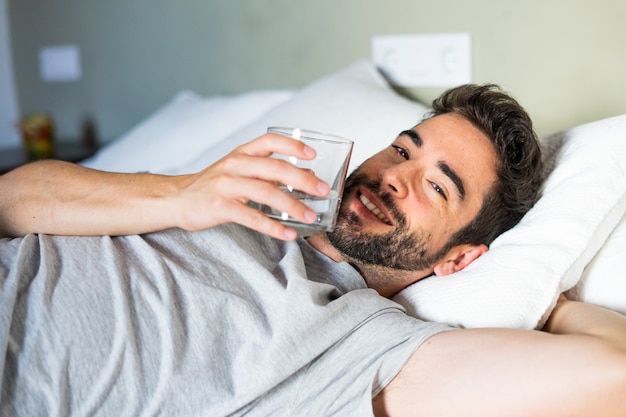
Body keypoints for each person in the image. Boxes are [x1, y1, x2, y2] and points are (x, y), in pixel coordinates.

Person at [1, 84, 625, 417]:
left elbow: (615, 377)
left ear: (457, 260)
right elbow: (10, 201)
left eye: (436, 186)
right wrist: (183, 193)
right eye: (403, 149)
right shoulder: (221, 197)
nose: (394, 177)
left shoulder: (359, 343)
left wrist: (553, 302)